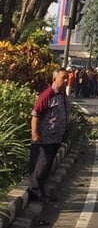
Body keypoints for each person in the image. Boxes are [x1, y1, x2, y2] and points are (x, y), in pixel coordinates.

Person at [29, 68, 70, 202]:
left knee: (47, 166)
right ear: (54, 79)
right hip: (44, 139)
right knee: (40, 167)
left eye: (67, 78)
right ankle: (34, 194)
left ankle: (41, 191)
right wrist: (35, 134)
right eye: (63, 78)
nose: (65, 81)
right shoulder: (47, 94)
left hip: (56, 138)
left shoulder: (63, 95)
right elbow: (35, 115)